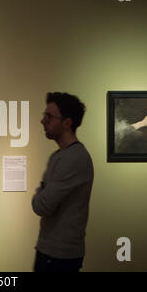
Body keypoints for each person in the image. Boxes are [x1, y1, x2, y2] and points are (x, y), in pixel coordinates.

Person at [32, 92, 94, 272]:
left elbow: (41, 206)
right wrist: (43, 191)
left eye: (49, 117)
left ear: (67, 123)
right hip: (51, 251)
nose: (43, 121)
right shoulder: (59, 156)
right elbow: (44, 199)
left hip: (60, 257)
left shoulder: (74, 159)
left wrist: (41, 191)